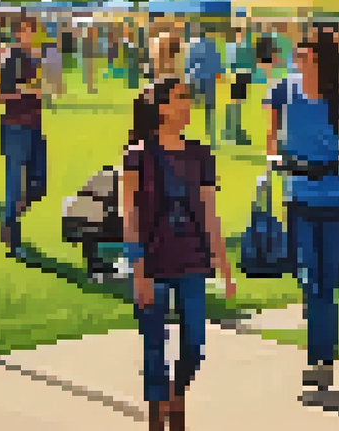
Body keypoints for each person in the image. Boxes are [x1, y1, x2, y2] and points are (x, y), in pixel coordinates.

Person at [121, 77, 235, 431]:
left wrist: (224, 263)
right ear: (161, 107)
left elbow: (209, 212)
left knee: (195, 345)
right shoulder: (137, 155)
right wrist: (137, 269)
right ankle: (158, 414)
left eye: (188, 97)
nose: (187, 104)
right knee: (154, 346)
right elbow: (130, 216)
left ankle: (176, 393)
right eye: (180, 97)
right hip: (152, 264)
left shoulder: (200, 155)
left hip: (192, 261)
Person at [265, 27, 339, 394]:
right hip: (299, 197)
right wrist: (277, 159)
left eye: (302, 55)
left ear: (318, 59)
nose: (296, 61)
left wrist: (328, 160)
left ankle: (323, 359)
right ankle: (318, 353)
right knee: (308, 277)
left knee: (327, 280)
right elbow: (270, 140)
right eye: (296, 55)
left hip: (333, 196)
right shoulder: (283, 92)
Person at [0, 20, 47, 258]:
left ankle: (8, 223)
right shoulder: (10, 59)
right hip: (16, 128)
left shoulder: (32, 58)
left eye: (32, 30)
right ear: (17, 33)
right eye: (25, 30)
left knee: (39, 184)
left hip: (35, 126)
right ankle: (13, 241)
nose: (29, 34)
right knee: (15, 186)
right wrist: (27, 91)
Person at [184, 24, 223, 148]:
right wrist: (219, 72)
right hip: (209, 78)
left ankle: (187, 132)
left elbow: (189, 62)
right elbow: (217, 60)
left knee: (188, 105)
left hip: (196, 77)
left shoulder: (193, 45)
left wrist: (187, 75)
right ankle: (211, 135)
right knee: (210, 108)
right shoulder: (211, 44)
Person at [223, 29, 256, 145]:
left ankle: (232, 130)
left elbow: (252, 62)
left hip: (243, 76)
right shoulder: (233, 47)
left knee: (237, 103)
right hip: (238, 76)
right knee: (235, 103)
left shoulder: (245, 46)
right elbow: (231, 63)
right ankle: (232, 131)